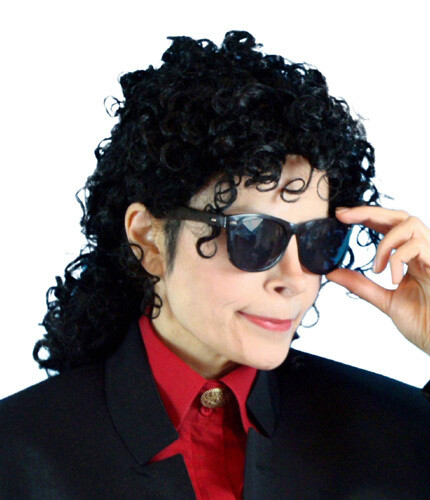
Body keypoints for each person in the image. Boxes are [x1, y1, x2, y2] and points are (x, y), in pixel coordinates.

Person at [0, 30, 429, 499]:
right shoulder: (18, 457)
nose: (294, 279)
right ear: (148, 239)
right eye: (253, 236)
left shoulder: (399, 434)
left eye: (316, 240)